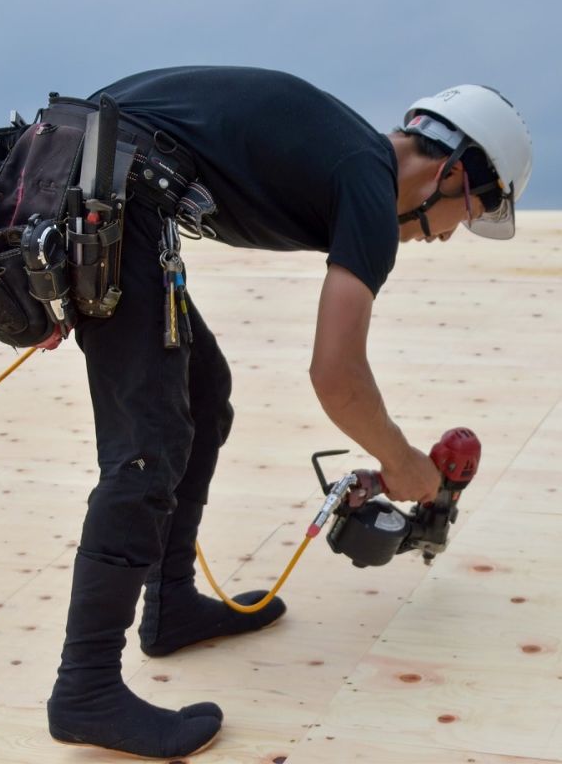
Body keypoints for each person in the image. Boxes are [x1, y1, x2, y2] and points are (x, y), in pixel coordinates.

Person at [44, 66, 532, 759]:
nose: (452, 236)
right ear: (452, 175)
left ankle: (171, 602)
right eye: (472, 216)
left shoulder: (353, 158)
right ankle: (85, 687)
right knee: (146, 447)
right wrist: (402, 462)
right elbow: (337, 376)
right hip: (112, 190)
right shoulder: (368, 181)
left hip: (98, 176)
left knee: (200, 396)